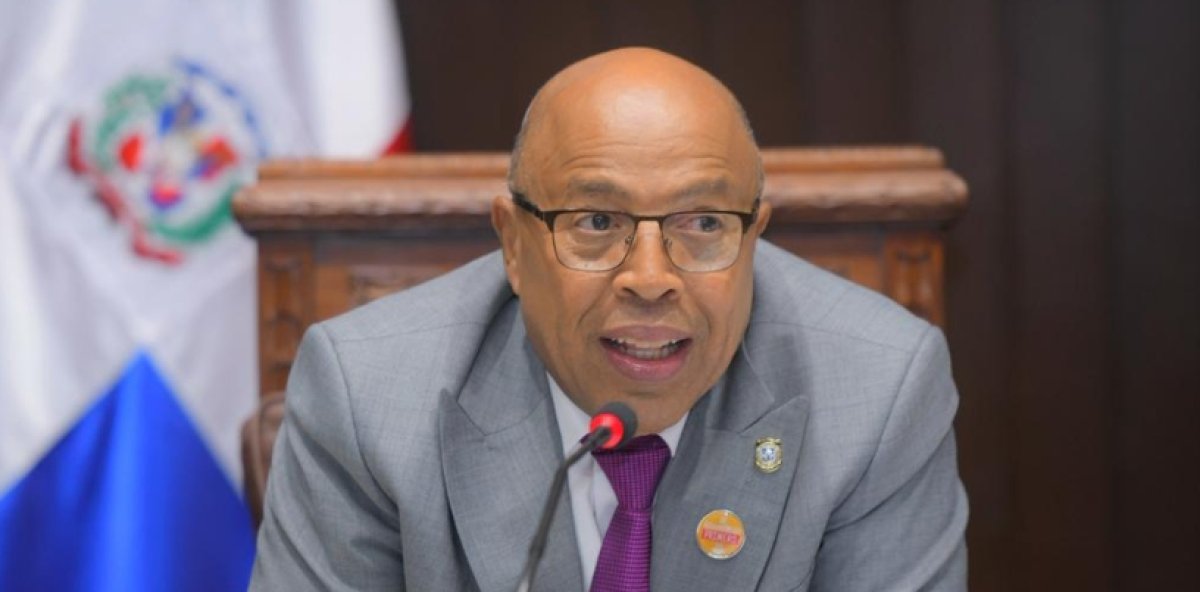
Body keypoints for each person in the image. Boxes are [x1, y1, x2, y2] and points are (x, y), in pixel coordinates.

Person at [250, 47, 968, 591]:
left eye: (703, 222)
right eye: (596, 221)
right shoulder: (368, 395)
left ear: (754, 238)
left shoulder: (877, 393)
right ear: (513, 245)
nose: (650, 279)